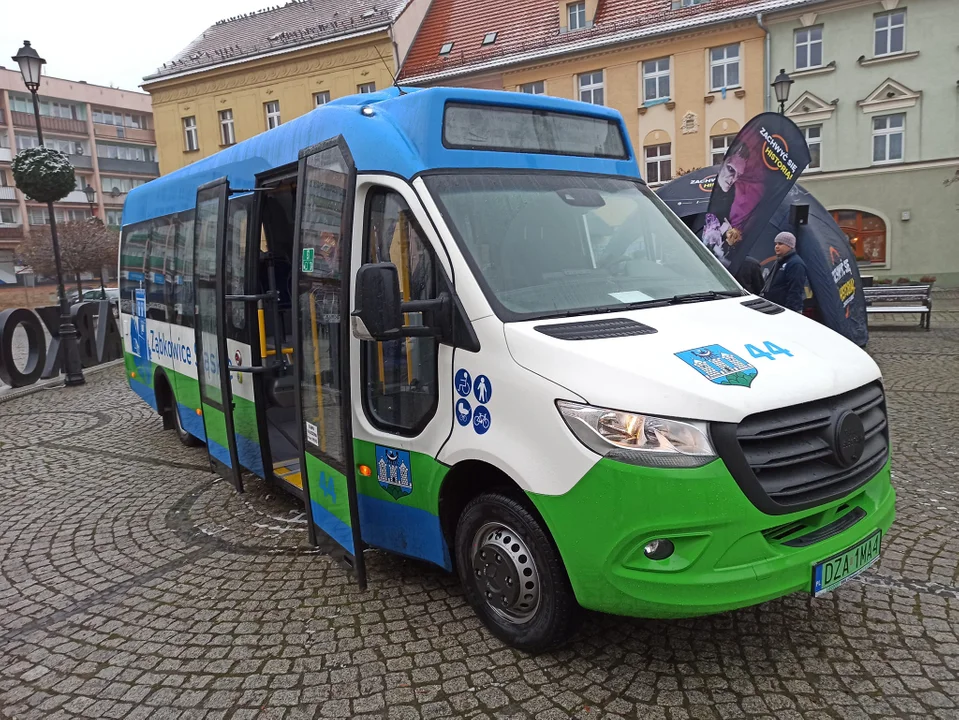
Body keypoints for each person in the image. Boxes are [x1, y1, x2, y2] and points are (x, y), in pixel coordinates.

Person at [763, 231, 808, 313]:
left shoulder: (796, 264)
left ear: (790, 246)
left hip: (785, 310)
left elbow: (795, 290)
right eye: (776, 244)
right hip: (775, 307)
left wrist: (790, 312)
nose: (776, 246)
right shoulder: (780, 261)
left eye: (780, 244)